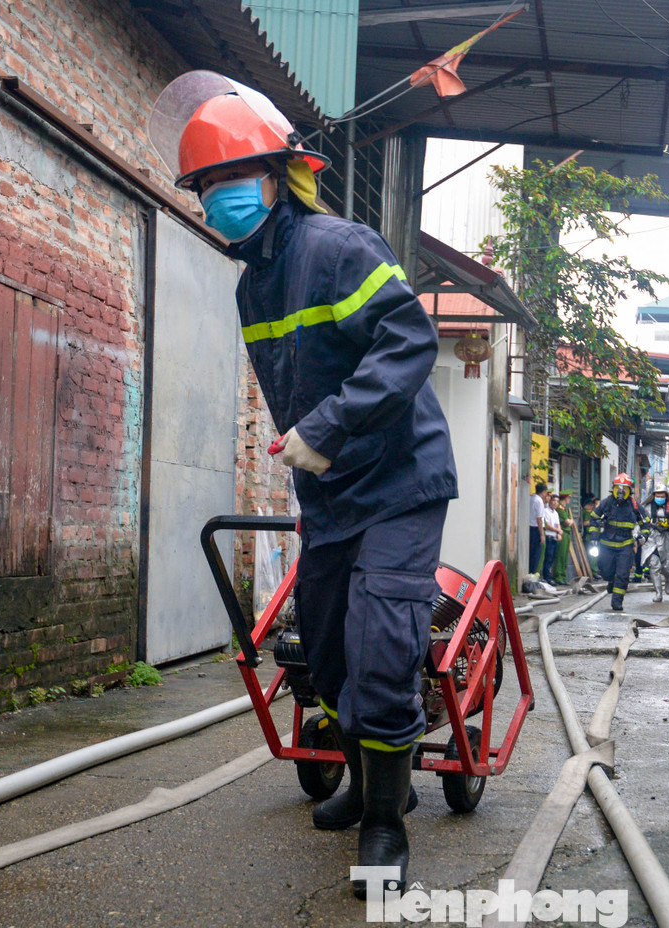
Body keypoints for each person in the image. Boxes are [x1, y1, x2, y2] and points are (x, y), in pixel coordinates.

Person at [148, 72, 457, 899]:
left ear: (275, 178)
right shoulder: (255, 285)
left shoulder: (339, 248)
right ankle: (362, 783)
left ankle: (389, 825)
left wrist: (325, 429)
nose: (216, 201)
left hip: (396, 482)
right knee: (322, 652)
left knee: (382, 648)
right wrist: (308, 446)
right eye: (204, 188)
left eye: (228, 182)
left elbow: (408, 344)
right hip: (331, 498)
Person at [594, 474, 641, 610]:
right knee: (605, 572)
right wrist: (594, 537)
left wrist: (643, 536)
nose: (621, 491)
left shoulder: (634, 505)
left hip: (625, 545)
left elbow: (646, 523)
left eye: (624, 488)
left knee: (623, 574)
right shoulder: (606, 503)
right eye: (618, 488)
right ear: (613, 488)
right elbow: (593, 519)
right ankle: (611, 580)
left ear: (629, 490)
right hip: (606, 544)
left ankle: (617, 602)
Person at [643, 487, 669, 586]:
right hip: (652, 539)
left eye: (662, 495)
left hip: (668, 538)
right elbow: (642, 522)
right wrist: (639, 536)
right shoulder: (648, 508)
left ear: (666, 496)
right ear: (654, 496)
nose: (660, 497)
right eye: (658, 495)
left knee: (667, 568)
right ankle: (658, 593)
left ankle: (667, 580)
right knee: (654, 566)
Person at [529, 481, 549, 578]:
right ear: (544, 491)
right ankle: (533, 574)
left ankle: (530, 573)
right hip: (536, 528)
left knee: (531, 553)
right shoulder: (539, 501)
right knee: (536, 554)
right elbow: (539, 519)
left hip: (529, 527)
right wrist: (542, 534)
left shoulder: (531, 498)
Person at [542, 493, 562, 584]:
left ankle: (549, 576)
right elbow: (547, 525)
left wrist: (559, 532)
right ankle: (546, 577)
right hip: (549, 536)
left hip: (555, 538)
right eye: (554, 501)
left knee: (553, 558)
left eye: (557, 501)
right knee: (548, 557)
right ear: (550, 501)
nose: (555, 503)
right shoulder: (545, 511)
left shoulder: (556, 513)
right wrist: (557, 530)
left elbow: (558, 524)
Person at [581, 496, 602, 578]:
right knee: (592, 555)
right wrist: (595, 521)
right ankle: (592, 571)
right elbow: (585, 523)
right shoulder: (587, 512)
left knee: (596, 555)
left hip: (596, 535)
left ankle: (595, 570)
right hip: (589, 536)